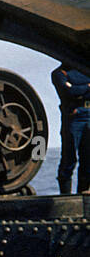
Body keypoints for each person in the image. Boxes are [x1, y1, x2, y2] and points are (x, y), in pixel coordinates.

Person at [52, 62, 90, 194]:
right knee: (69, 158)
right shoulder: (59, 74)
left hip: (87, 114)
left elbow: (74, 90)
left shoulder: (84, 70)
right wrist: (87, 87)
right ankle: (65, 196)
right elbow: (70, 92)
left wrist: (78, 88)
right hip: (73, 117)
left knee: (88, 159)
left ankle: (84, 195)